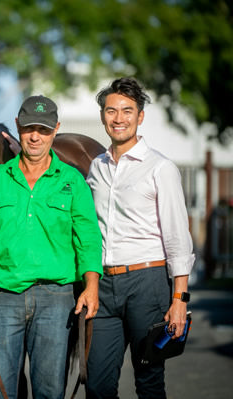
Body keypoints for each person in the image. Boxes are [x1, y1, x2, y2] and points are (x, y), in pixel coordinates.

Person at [0, 96, 103, 399]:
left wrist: (91, 286)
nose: (35, 136)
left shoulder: (72, 181)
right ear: (18, 127)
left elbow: (88, 238)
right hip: (4, 300)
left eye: (43, 130)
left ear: (55, 130)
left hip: (56, 301)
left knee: (49, 390)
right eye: (29, 128)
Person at [85, 77, 195, 398]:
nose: (118, 118)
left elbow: (178, 238)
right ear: (103, 116)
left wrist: (179, 300)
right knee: (97, 385)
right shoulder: (96, 168)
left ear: (140, 116)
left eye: (127, 111)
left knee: (148, 382)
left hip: (147, 284)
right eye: (111, 111)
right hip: (104, 287)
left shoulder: (160, 168)